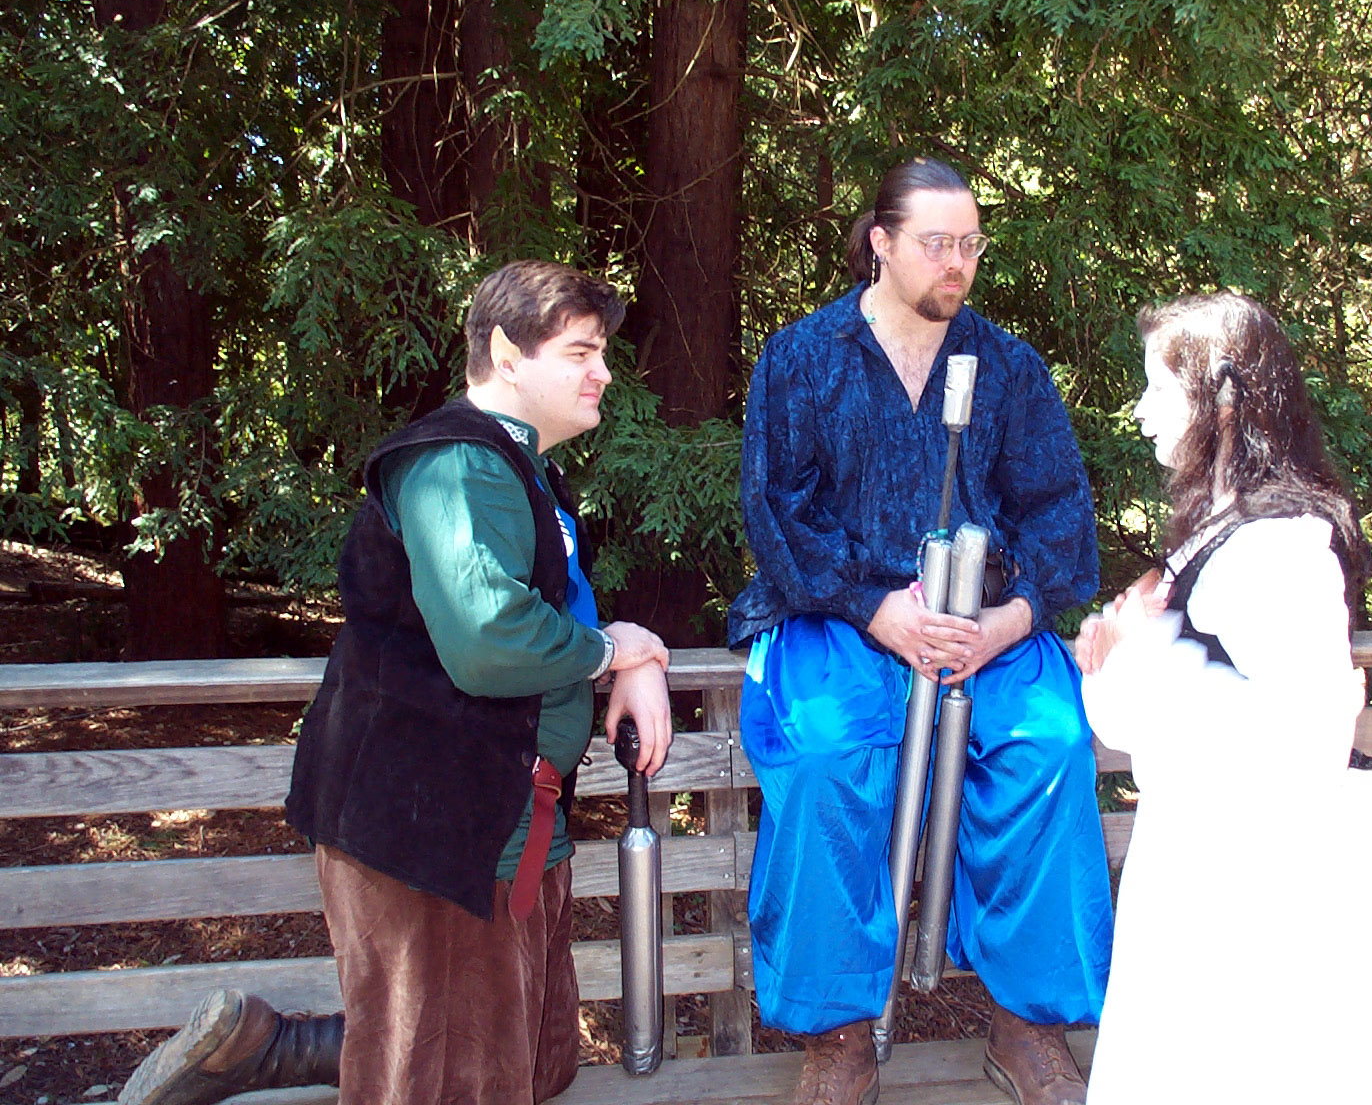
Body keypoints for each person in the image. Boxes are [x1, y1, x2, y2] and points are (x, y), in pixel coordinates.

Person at [119, 260, 674, 1105]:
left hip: (508, 823)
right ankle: (290, 1054)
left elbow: (551, 615)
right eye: (581, 352)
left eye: (602, 353)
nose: (603, 372)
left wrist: (631, 660)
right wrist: (607, 655)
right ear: (507, 354)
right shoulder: (457, 464)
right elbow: (488, 639)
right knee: (458, 1076)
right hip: (435, 828)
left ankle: (279, 1051)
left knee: (530, 1062)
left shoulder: (523, 471)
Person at [729, 158, 1113, 1105]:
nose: (957, 262)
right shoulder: (803, 358)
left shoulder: (1010, 368)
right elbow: (776, 512)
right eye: (936, 243)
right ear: (882, 243)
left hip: (986, 628)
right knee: (826, 757)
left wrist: (1005, 622)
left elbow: (1060, 516)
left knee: (1050, 746)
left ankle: (1026, 1027)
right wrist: (875, 608)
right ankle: (840, 1035)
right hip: (839, 617)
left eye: (970, 244)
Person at [1073, 292, 1372, 1103]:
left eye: (1161, 388)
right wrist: (1120, 657)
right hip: (1211, 861)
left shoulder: (1279, 547)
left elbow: (1305, 741)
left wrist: (1135, 658)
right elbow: (1164, 702)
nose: (1142, 410)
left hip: (1271, 895)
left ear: (1224, 400)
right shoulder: (1223, 535)